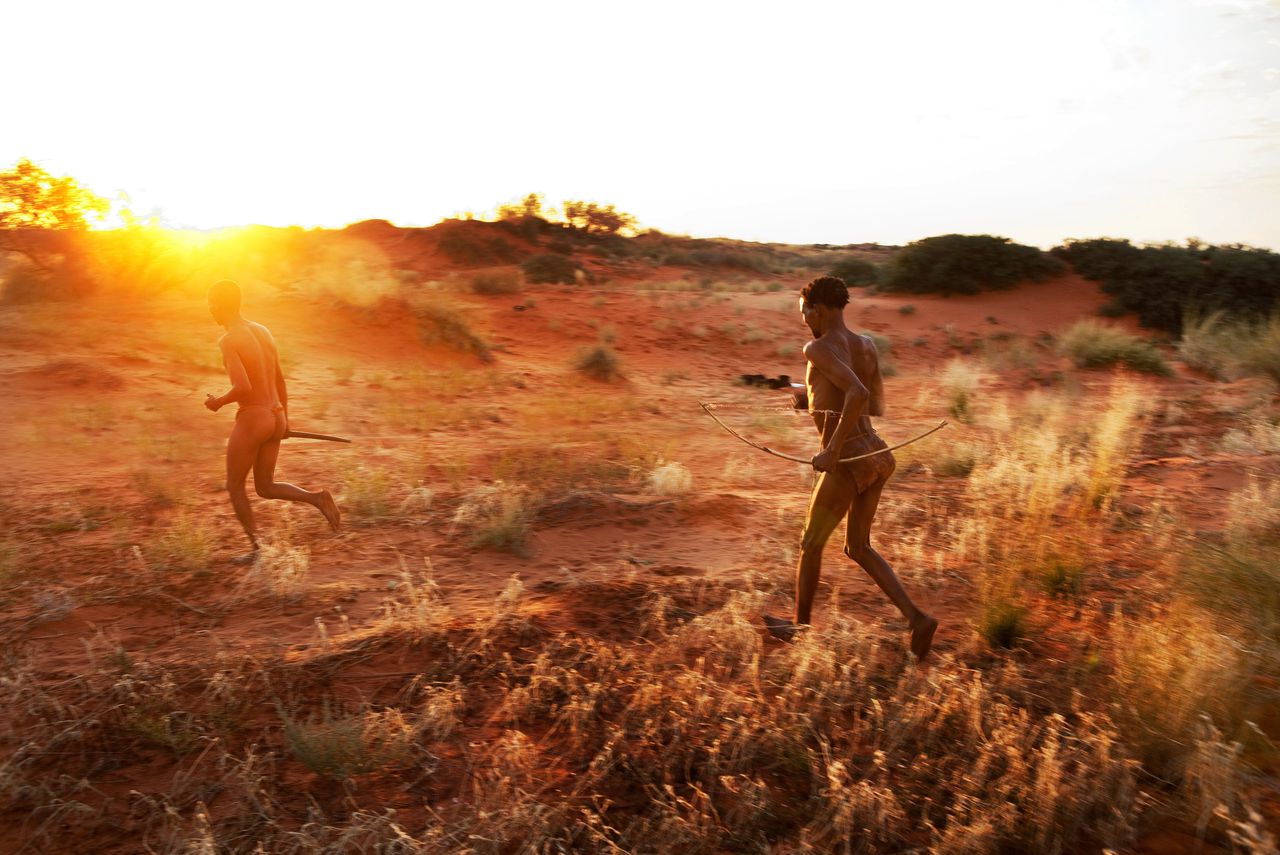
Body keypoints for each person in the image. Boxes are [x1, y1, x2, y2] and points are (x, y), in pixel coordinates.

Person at [766, 276, 937, 659]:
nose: (804, 320)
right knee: (857, 546)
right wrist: (809, 399)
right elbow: (870, 405)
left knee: (810, 544)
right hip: (877, 452)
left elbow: (857, 394)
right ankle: (918, 619)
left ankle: (800, 628)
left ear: (819, 309)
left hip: (848, 460)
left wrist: (831, 449)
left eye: (805, 312)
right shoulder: (867, 345)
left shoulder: (816, 347)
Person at [204, 280, 340, 561]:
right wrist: (285, 420)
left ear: (220, 305)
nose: (210, 310)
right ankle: (317, 498)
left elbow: (243, 388)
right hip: (275, 414)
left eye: (211, 304)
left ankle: (258, 551)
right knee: (265, 487)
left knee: (234, 485)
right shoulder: (263, 331)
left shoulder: (229, 340)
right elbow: (279, 379)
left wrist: (217, 402)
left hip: (253, 417)